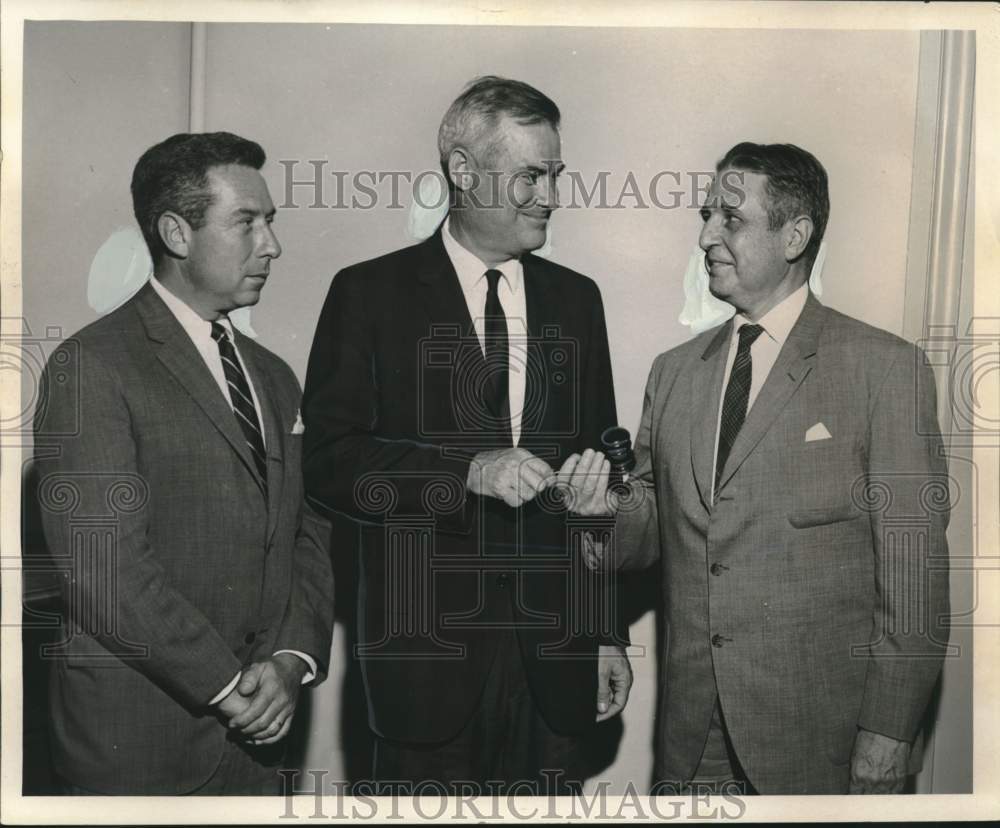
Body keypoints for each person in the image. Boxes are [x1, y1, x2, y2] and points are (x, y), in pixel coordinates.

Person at [564, 142, 950, 794]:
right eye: (707, 216)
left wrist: (889, 733)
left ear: (795, 234)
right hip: (693, 740)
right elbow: (650, 535)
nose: (707, 236)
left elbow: (914, 579)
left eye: (730, 219)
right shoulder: (675, 372)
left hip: (823, 744)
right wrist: (605, 512)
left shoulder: (884, 370)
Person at [302, 76, 630, 793]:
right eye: (529, 177)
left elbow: (599, 485)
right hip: (426, 667)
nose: (549, 196)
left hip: (556, 662)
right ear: (461, 170)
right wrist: (465, 472)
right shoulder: (367, 295)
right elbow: (328, 462)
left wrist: (605, 630)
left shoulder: (578, 301)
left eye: (555, 175)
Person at [33, 132, 335, 795]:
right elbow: (103, 568)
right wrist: (230, 689)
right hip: (140, 747)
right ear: (177, 232)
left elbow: (308, 532)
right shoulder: (91, 366)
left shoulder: (275, 377)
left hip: (259, 748)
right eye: (246, 222)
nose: (272, 245)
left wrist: (291, 660)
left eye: (272, 222)